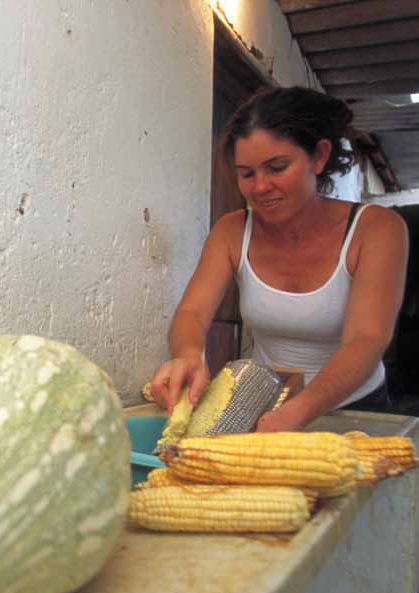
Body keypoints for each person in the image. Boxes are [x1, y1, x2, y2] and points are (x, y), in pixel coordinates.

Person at [150, 85, 408, 432]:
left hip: (356, 410)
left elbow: (366, 338)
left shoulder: (376, 229)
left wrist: (299, 410)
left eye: (277, 167)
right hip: (265, 404)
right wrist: (189, 355)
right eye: (247, 174)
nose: (260, 187)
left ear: (318, 156)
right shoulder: (232, 231)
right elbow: (193, 313)